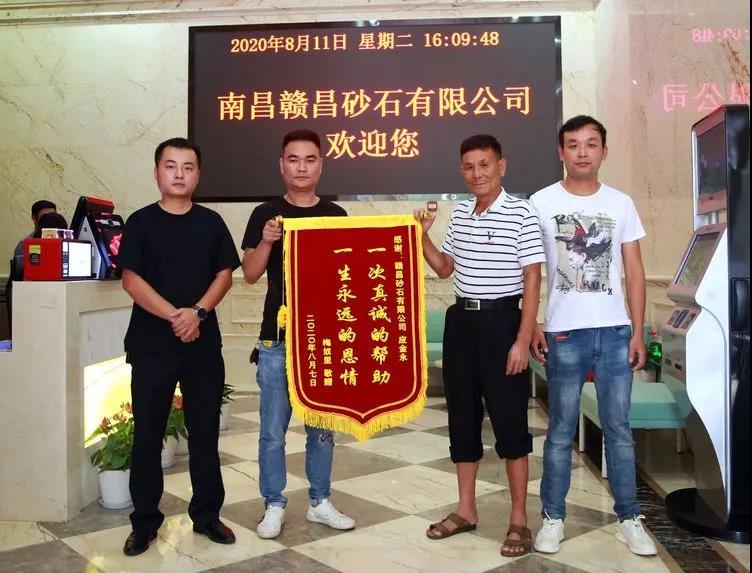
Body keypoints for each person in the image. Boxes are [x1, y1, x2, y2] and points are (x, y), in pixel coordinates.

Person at [529, 115, 658, 556]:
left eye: (591, 143)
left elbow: (635, 270)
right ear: (560, 152)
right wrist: (533, 324)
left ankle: (629, 518)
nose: (582, 152)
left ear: (604, 151)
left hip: (615, 331)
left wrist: (637, 331)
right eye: (573, 144)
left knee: (619, 428)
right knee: (560, 430)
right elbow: (530, 270)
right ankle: (553, 518)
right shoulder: (541, 203)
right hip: (564, 332)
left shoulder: (620, 203)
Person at [415, 134, 545, 557]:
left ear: (501, 166)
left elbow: (532, 279)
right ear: (461, 171)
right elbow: (444, 268)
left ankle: (519, 519)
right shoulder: (460, 214)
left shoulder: (522, 212)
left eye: (484, 165)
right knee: (463, 418)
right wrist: (422, 236)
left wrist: (522, 339)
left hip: (503, 322)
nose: (477, 174)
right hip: (462, 323)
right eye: (469, 167)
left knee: (510, 422)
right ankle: (466, 510)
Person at [117, 137, 240, 556]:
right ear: (157, 172)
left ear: (198, 175)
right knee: (147, 435)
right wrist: (176, 316)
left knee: (205, 434)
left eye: (188, 167)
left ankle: (206, 515)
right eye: (170, 166)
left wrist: (198, 313)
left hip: (202, 345)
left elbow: (224, 274)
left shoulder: (211, 222)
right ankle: (144, 522)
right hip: (152, 345)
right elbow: (131, 280)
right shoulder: (140, 222)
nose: (179, 174)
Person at [241, 129, 355, 540]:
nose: (301, 167)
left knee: (321, 430)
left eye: (309, 159)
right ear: (282, 164)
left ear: (320, 165)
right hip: (277, 338)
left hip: (323, 341)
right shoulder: (265, 214)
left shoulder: (335, 215)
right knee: (272, 432)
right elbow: (250, 274)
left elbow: (348, 275)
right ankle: (273, 504)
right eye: (293, 159)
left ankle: (320, 502)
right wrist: (267, 242)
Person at [12, 200, 57, 280]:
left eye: (53, 216)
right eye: (44, 217)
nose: (50, 220)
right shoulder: (26, 244)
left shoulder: (62, 244)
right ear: (34, 219)